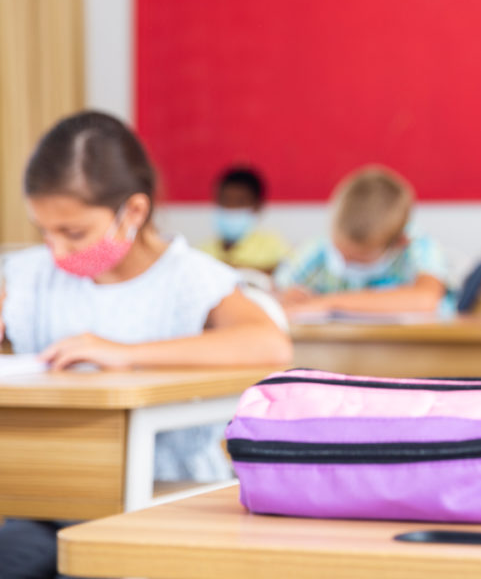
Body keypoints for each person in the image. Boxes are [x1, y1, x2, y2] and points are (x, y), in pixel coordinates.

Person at [0, 111, 291, 579]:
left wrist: (125, 353)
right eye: (45, 231)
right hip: (48, 502)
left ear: (132, 212)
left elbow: (269, 344)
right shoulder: (32, 276)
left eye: (73, 233)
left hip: (169, 498)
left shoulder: (187, 278)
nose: (57, 250)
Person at [274, 166, 450, 315]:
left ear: (398, 243)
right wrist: (287, 296)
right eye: (340, 251)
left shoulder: (416, 245)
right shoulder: (319, 248)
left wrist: (330, 302)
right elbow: (277, 290)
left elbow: (426, 299)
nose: (345, 261)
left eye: (358, 258)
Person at [197, 165, 291, 273]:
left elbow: (286, 275)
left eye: (240, 202)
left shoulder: (274, 246)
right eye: (224, 200)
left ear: (257, 206)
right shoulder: (203, 250)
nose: (230, 207)